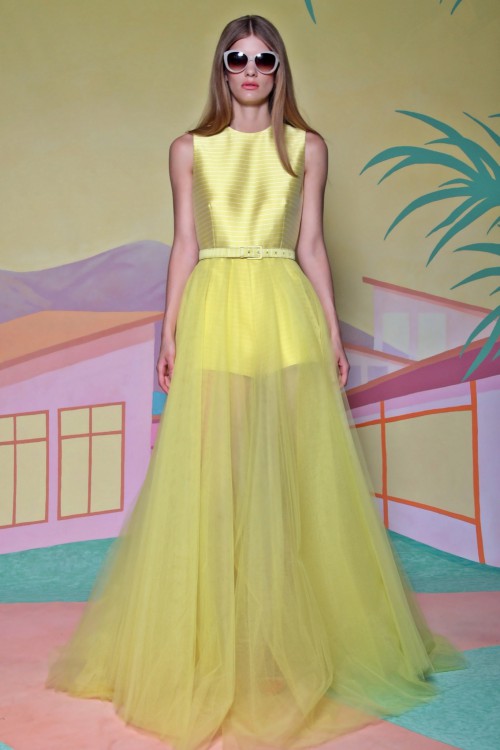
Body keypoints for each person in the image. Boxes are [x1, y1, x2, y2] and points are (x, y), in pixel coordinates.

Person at [46, 14, 464, 750]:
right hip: (215, 310)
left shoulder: (307, 147)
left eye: (263, 59)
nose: (249, 70)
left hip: (283, 309)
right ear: (221, 67)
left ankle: (292, 641)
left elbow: (312, 245)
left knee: (292, 474)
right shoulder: (190, 149)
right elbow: (185, 242)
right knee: (216, 475)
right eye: (236, 58)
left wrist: (331, 332)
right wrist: (168, 329)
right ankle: (213, 641)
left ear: (279, 68)